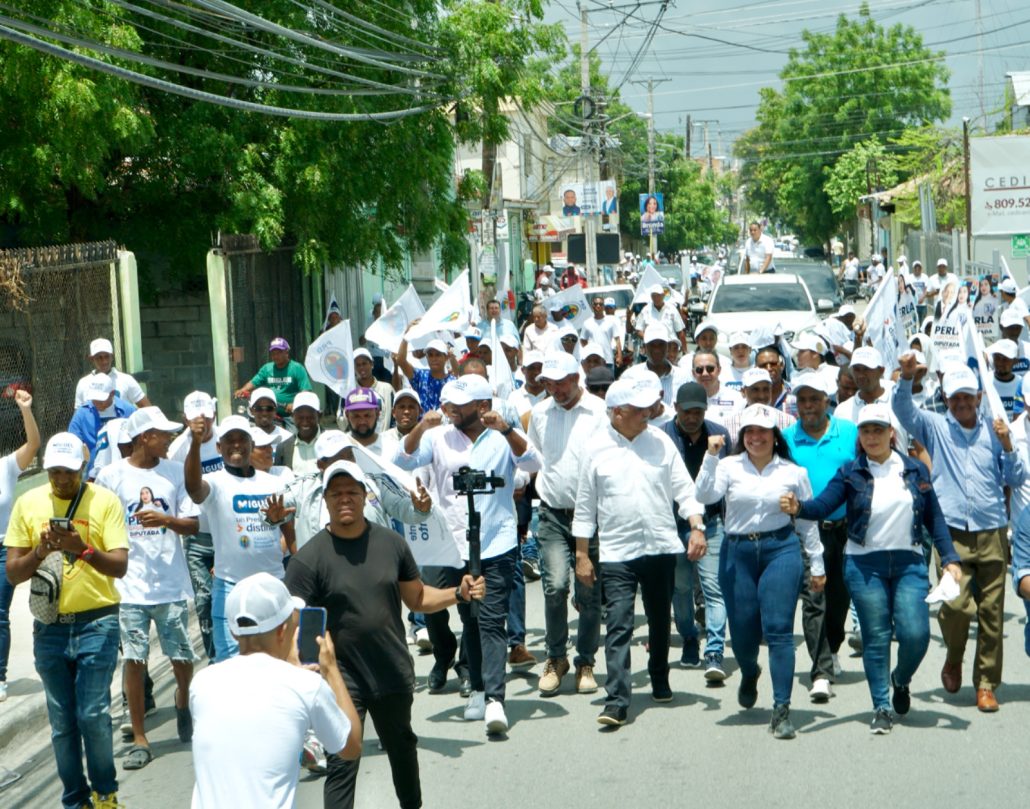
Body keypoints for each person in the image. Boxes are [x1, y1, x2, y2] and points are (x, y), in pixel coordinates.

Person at [284, 460, 482, 808]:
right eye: (336, 493)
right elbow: (294, 627)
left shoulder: (392, 544)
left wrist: (458, 593)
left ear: (364, 496)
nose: (344, 499)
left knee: (403, 750)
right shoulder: (308, 560)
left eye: (352, 492)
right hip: (342, 678)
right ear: (325, 501)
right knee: (343, 761)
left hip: (391, 669)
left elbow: (417, 597)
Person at [782, 403, 963, 734]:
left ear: (891, 434)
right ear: (860, 436)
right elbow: (823, 505)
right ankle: (881, 706)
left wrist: (950, 558)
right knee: (876, 637)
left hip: (908, 563)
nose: (872, 436)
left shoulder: (914, 470)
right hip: (864, 565)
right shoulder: (851, 472)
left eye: (879, 430)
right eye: (866, 431)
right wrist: (799, 508)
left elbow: (934, 517)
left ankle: (901, 679)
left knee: (916, 634)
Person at [394, 375, 540, 735]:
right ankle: (476, 685)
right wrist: (419, 428)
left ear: (481, 406)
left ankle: (494, 699)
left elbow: (533, 463)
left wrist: (507, 430)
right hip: (453, 545)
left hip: (497, 541)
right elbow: (403, 458)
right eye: (448, 403)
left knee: (491, 619)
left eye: (459, 404)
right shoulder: (438, 436)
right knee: (467, 617)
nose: (450, 409)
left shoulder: (500, 436)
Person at [5, 432, 128, 809]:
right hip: (50, 628)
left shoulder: (104, 501)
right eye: (55, 472)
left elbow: (120, 565)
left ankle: (105, 792)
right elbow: (13, 573)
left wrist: (83, 549)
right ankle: (75, 800)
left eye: (69, 472)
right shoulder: (27, 504)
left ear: (82, 468)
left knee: (92, 714)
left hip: (98, 622)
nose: (61, 479)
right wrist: (41, 550)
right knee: (62, 724)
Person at [894, 354, 1024, 712]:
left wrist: (1009, 446)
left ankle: (985, 683)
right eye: (955, 397)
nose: (962, 402)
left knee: (992, 613)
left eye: (968, 396)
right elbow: (904, 410)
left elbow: (1014, 478)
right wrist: (906, 378)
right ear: (947, 399)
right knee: (955, 606)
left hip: (991, 528)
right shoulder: (935, 426)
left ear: (979, 397)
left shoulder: (994, 430)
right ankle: (953, 656)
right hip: (950, 531)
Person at [572, 376, 705, 726]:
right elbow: (585, 506)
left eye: (649, 407)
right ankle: (617, 699)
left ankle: (659, 676)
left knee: (660, 619)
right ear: (617, 413)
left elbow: (685, 490)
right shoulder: (595, 448)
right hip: (617, 551)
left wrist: (696, 526)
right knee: (618, 624)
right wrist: (582, 555)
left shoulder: (660, 442)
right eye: (639, 409)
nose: (648, 413)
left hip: (660, 546)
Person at [694, 404, 824, 741]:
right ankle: (749, 671)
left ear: (774, 436)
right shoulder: (727, 466)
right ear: (743, 436)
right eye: (749, 432)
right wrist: (709, 457)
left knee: (779, 630)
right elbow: (704, 494)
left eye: (762, 432)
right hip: (737, 552)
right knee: (743, 631)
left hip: (780, 549)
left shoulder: (793, 472)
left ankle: (782, 710)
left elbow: (808, 521)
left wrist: (818, 564)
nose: (755, 438)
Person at [189, 572, 363, 809]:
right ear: (283, 630)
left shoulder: (202, 683)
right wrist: (331, 669)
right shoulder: (305, 686)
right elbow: (351, 746)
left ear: (233, 632)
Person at [94, 407, 199, 769]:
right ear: (142, 438)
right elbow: (98, 524)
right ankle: (140, 736)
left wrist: (165, 519)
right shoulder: (110, 476)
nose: (168, 439)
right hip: (129, 587)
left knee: (182, 659)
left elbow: (192, 525)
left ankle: (183, 697)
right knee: (135, 662)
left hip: (170, 584)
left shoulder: (174, 473)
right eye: (162, 434)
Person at [527, 352, 606, 697]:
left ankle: (585, 660)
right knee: (555, 586)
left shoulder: (601, 413)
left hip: (592, 518)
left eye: (562, 382)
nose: (556, 389)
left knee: (588, 591)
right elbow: (535, 458)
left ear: (578, 377)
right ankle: (556, 658)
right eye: (549, 383)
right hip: (553, 515)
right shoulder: (540, 414)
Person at [184, 415, 288, 661]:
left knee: (277, 662)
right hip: (230, 586)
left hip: (273, 583)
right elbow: (193, 489)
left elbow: (287, 531)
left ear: (252, 444)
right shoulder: (214, 482)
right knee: (231, 665)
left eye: (242, 439)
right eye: (229, 440)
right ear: (219, 447)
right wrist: (196, 444)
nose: (237, 444)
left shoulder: (274, 483)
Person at [782, 371, 859, 699]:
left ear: (828, 401)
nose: (808, 405)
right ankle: (821, 669)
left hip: (845, 530)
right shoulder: (785, 438)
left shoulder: (850, 431)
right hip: (805, 533)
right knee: (815, 599)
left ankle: (832, 648)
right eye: (802, 400)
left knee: (839, 598)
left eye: (814, 399)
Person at [660, 382, 729, 678]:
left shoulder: (720, 435)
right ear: (676, 408)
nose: (692, 417)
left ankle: (714, 650)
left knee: (714, 588)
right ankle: (689, 636)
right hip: (673, 524)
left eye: (698, 411)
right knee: (681, 587)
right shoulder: (662, 436)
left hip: (711, 523)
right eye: (687, 411)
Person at [168, 390, 222, 662]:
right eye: (196, 420)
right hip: (197, 537)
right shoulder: (177, 449)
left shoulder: (228, 440)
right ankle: (214, 658)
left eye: (208, 419)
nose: (203, 425)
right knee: (204, 601)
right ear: (186, 419)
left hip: (226, 533)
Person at [0, 390, 40, 702]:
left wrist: (25, 409)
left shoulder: (7, 467)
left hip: (4, 550)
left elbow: (34, 445)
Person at [68, 373, 137, 477]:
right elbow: (72, 444)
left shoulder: (129, 411)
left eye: (101, 399)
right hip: (93, 476)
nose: (97, 402)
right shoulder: (81, 414)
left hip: (125, 474)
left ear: (112, 393)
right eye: (94, 398)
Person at [233, 337, 313, 419]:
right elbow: (253, 382)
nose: (276, 356)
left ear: (286, 352)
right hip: (269, 413)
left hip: (290, 414)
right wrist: (242, 390)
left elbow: (305, 392)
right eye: (273, 353)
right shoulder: (267, 369)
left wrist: (296, 404)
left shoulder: (297, 368)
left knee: (294, 431)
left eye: (279, 353)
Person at [622, 324, 689, 408]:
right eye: (652, 345)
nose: (656, 350)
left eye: (661, 344)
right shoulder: (630, 376)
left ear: (667, 346)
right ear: (644, 348)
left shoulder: (684, 377)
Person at [74, 338, 150, 409]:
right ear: (91, 359)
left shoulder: (126, 380)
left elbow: (147, 408)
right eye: (99, 357)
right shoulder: (83, 383)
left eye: (107, 356)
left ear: (112, 357)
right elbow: (78, 415)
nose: (104, 361)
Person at [395, 332, 456, 413]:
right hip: (422, 424)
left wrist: (453, 358)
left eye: (437, 355)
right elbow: (401, 361)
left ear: (445, 357)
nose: (434, 358)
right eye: (430, 355)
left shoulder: (452, 381)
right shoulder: (421, 376)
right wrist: (406, 336)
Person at [690, 350, 744, 424]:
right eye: (699, 369)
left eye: (710, 369)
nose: (705, 373)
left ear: (719, 370)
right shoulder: (687, 400)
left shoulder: (737, 399)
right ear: (693, 373)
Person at [635, 286, 688, 354]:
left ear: (663, 296)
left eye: (658, 295)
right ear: (651, 297)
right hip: (652, 348)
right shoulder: (646, 310)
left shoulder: (672, 309)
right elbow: (639, 329)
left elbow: (680, 331)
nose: (656, 298)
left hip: (670, 348)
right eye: (654, 296)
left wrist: (685, 351)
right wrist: (648, 338)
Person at [580, 295, 623, 371]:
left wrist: (619, 355)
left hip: (608, 360)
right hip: (594, 362)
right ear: (592, 306)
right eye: (595, 304)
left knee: (609, 382)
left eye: (600, 304)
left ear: (603, 307)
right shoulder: (587, 323)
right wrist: (590, 351)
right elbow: (583, 340)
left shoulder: (610, 322)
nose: (598, 306)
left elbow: (617, 339)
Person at [289, 390, 323, 475]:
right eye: (300, 417)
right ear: (293, 416)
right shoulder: (283, 448)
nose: (305, 422)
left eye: (310, 417)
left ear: (319, 416)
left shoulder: (332, 443)